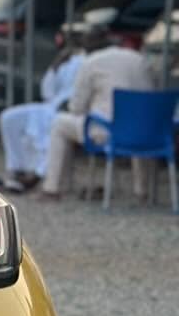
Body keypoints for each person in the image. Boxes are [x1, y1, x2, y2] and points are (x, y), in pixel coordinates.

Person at [41, 27, 156, 199]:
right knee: (135, 121)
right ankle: (142, 191)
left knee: (59, 124)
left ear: (87, 49)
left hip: (108, 131)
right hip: (148, 132)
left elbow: (76, 108)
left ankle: (52, 188)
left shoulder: (92, 62)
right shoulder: (139, 59)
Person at [0, 32, 86, 192]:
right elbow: (47, 92)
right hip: (51, 107)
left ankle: (35, 177)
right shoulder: (69, 62)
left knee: (55, 129)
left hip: (73, 112)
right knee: (8, 117)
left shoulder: (94, 62)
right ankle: (17, 168)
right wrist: (56, 64)